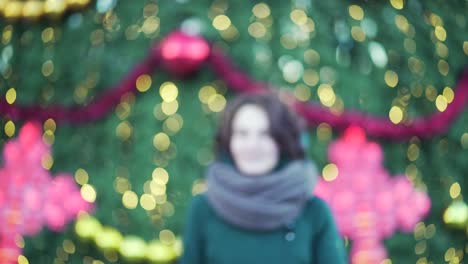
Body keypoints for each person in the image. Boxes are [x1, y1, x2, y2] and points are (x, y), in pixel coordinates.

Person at [180, 92, 347, 264]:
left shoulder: (314, 212)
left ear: (283, 141)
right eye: (242, 133)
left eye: (265, 134)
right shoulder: (203, 208)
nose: (252, 145)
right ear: (228, 141)